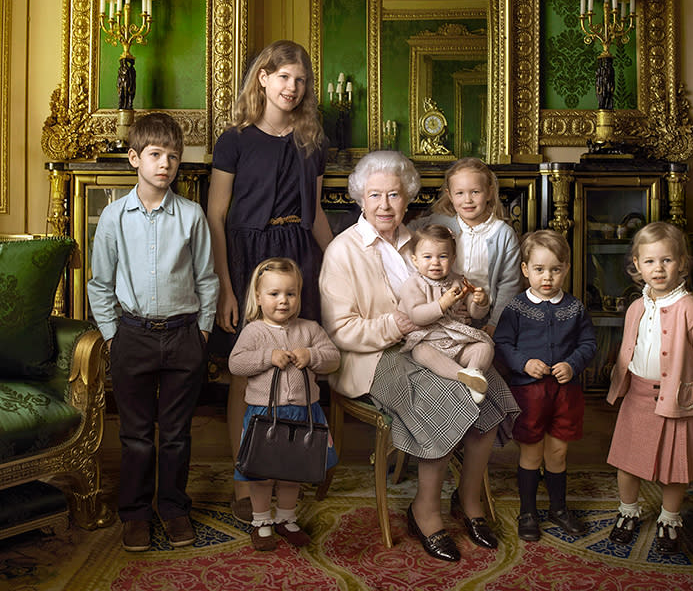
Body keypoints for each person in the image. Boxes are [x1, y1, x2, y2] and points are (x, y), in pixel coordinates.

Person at [319, 150, 519, 563]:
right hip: (374, 356)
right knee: (447, 396)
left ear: (407, 198)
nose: (385, 205)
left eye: (394, 195)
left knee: (490, 390)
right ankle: (424, 509)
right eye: (375, 195)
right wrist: (399, 325)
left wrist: (469, 306)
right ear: (360, 199)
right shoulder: (342, 251)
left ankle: (468, 500)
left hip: (433, 342)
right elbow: (342, 332)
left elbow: (450, 299)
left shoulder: (423, 240)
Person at [207, 40, 333, 524]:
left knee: (301, 364)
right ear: (262, 77)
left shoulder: (312, 141)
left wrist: (337, 258)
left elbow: (317, 211)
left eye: (300, 80)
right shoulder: (234, 139)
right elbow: (217, 216)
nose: (292, 88)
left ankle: (295, 467)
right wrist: (226, 285)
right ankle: (247, 476)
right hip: (247, 258)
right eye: (283, 77)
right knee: (249, 371)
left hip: (298, 253)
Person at [87, 112, 219, 552]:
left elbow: (206, 278)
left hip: (184, 336)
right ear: (134, 158)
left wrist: (201, 333)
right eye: (156, 155)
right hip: (133, 336)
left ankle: (174, 508)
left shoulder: (192, 215)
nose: (165, 164)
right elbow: (100, 284)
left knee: (177, 433)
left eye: (174, 157)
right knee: (137, 435)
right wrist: (112, 336)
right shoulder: (113, 218)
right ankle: (136, 514)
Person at [605, 222, 693, 554]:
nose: (658, 269)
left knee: (675, 467)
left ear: (682, 263)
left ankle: (669, 518)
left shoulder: (692, 309)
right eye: (649, 262)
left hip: (676, 400)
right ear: (636, 265)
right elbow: (629, 349)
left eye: (667, 261)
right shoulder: (636, 307)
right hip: (638, 395)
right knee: (627, 462)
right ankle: (628, 512)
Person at [228, 258, 340, 551]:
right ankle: (262, 520)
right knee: (261, 472)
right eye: (274, 294)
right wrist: (267, 357)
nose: (283, 301)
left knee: (294, 471)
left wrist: (312, 356)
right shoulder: (254, 332)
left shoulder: (310, 329)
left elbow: (333, 358)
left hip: (304, 414)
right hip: (265, 415)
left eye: (291, 293)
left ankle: (286, 519)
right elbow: (236, 363)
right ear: (258, 297)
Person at [494, 229, 597, 542]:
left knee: (558, 453)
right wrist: (524, 363)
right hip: (530, 393)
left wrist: (573, 363)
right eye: (539, 270)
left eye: (555, 269)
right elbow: (502, 343)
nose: (547, 277)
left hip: (565, 393)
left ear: (566, 268)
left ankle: (558, 508)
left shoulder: (575, 308)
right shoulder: (516, 308)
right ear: (526, 270)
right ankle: (528, 511)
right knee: (531, 454)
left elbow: (589, 343)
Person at [409, 157, 522, 335]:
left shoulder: (503, 234)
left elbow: (509, 285)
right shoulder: (440, 222)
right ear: (450, 195)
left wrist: (495, 322)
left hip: (484, 315)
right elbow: (408, 232)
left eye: (475, 192)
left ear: (490, 192)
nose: (467, 200)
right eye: (460, 193)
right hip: (443, 309)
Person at [398, 223, 494, 404]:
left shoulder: (459, 281)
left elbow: (475, 315)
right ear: (415, 260)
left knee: (485, 347)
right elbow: (417, 316)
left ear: (452, 259)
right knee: (420, 352)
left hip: (456, 341)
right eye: (427, 257)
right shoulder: (413, 284)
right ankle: (463, 377)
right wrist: (442, 304)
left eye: (442, 256)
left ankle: (474, 371)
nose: (435, 262)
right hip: (428, 339)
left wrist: (480, 303)